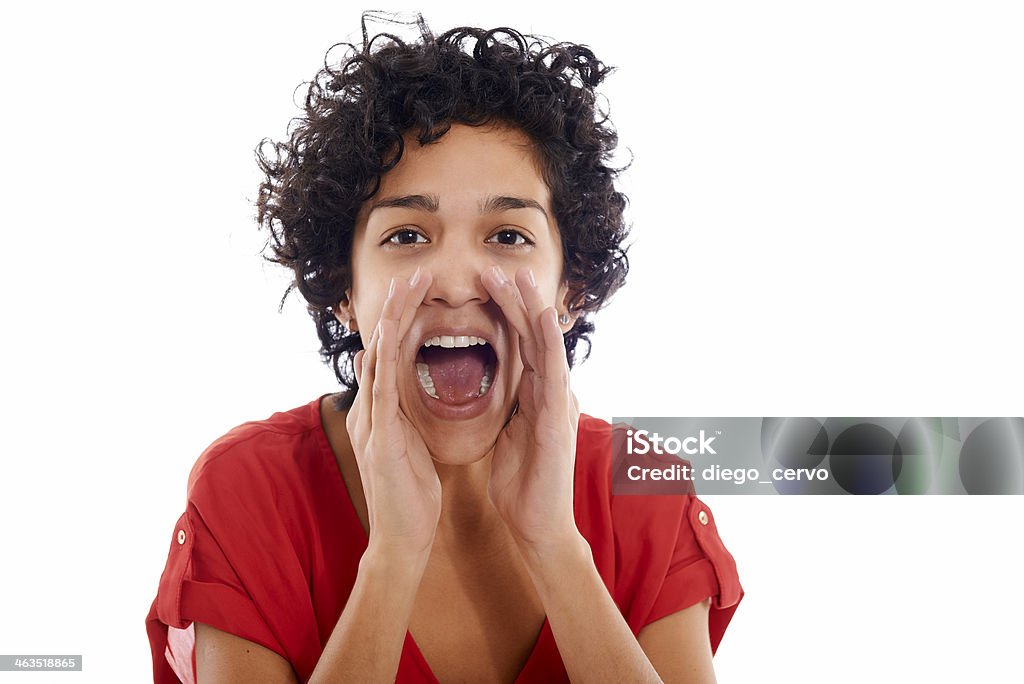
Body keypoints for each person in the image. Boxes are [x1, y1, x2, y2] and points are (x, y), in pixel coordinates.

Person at [145, 13, 742, 683]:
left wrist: (555, 545)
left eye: (509, 235)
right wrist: (392, 558)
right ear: (345, 290)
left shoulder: (643, 494)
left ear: (570, 288)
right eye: (406, 236)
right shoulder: (250, 490)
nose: (457, 284)